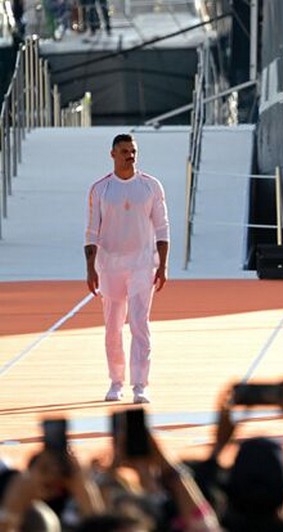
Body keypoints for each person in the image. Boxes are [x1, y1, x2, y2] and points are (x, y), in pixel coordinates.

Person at [84, 133, 169, 404]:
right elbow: (91, 231)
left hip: (142, 265)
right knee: (113, 327)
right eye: (124, 151)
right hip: (110, 266)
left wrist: (163, 265)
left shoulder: (151, 186)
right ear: (113, 154)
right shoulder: (101, 189)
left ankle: (140, 385)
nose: (129, 156)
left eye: (133, 151)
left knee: (139, 323)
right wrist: (90, 269)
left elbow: (162, 227)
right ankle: (116, 381)